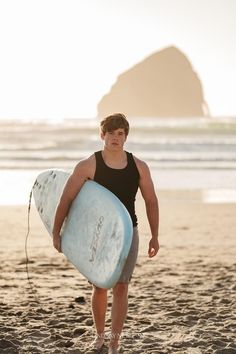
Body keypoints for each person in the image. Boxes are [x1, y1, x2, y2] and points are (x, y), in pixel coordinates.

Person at [52, 113, 159, 354]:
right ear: (102, 135)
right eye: (110, 133)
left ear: (126, 137)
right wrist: (56, 233)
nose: (115, 137)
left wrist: (155, 235)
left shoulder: (138, 167)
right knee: (100, 286)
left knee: (122, 287)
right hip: (98, 234)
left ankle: (114, 341)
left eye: (120, 133)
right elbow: (66, 199)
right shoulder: (88, 165)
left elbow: (151, 200)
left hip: (128, 232)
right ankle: (100, 336)